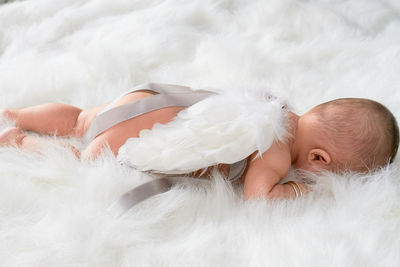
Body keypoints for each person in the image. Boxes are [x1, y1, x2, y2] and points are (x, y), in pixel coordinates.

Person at [0, 84, 398, 201]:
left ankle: (16, 115)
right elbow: (258, 197)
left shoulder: (273, 105)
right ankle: (16, 141)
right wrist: (297, 190)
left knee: (81, 119)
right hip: (145, 136)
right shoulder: (276, 146)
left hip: (150, 100)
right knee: (84, 160)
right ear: (319, 158)